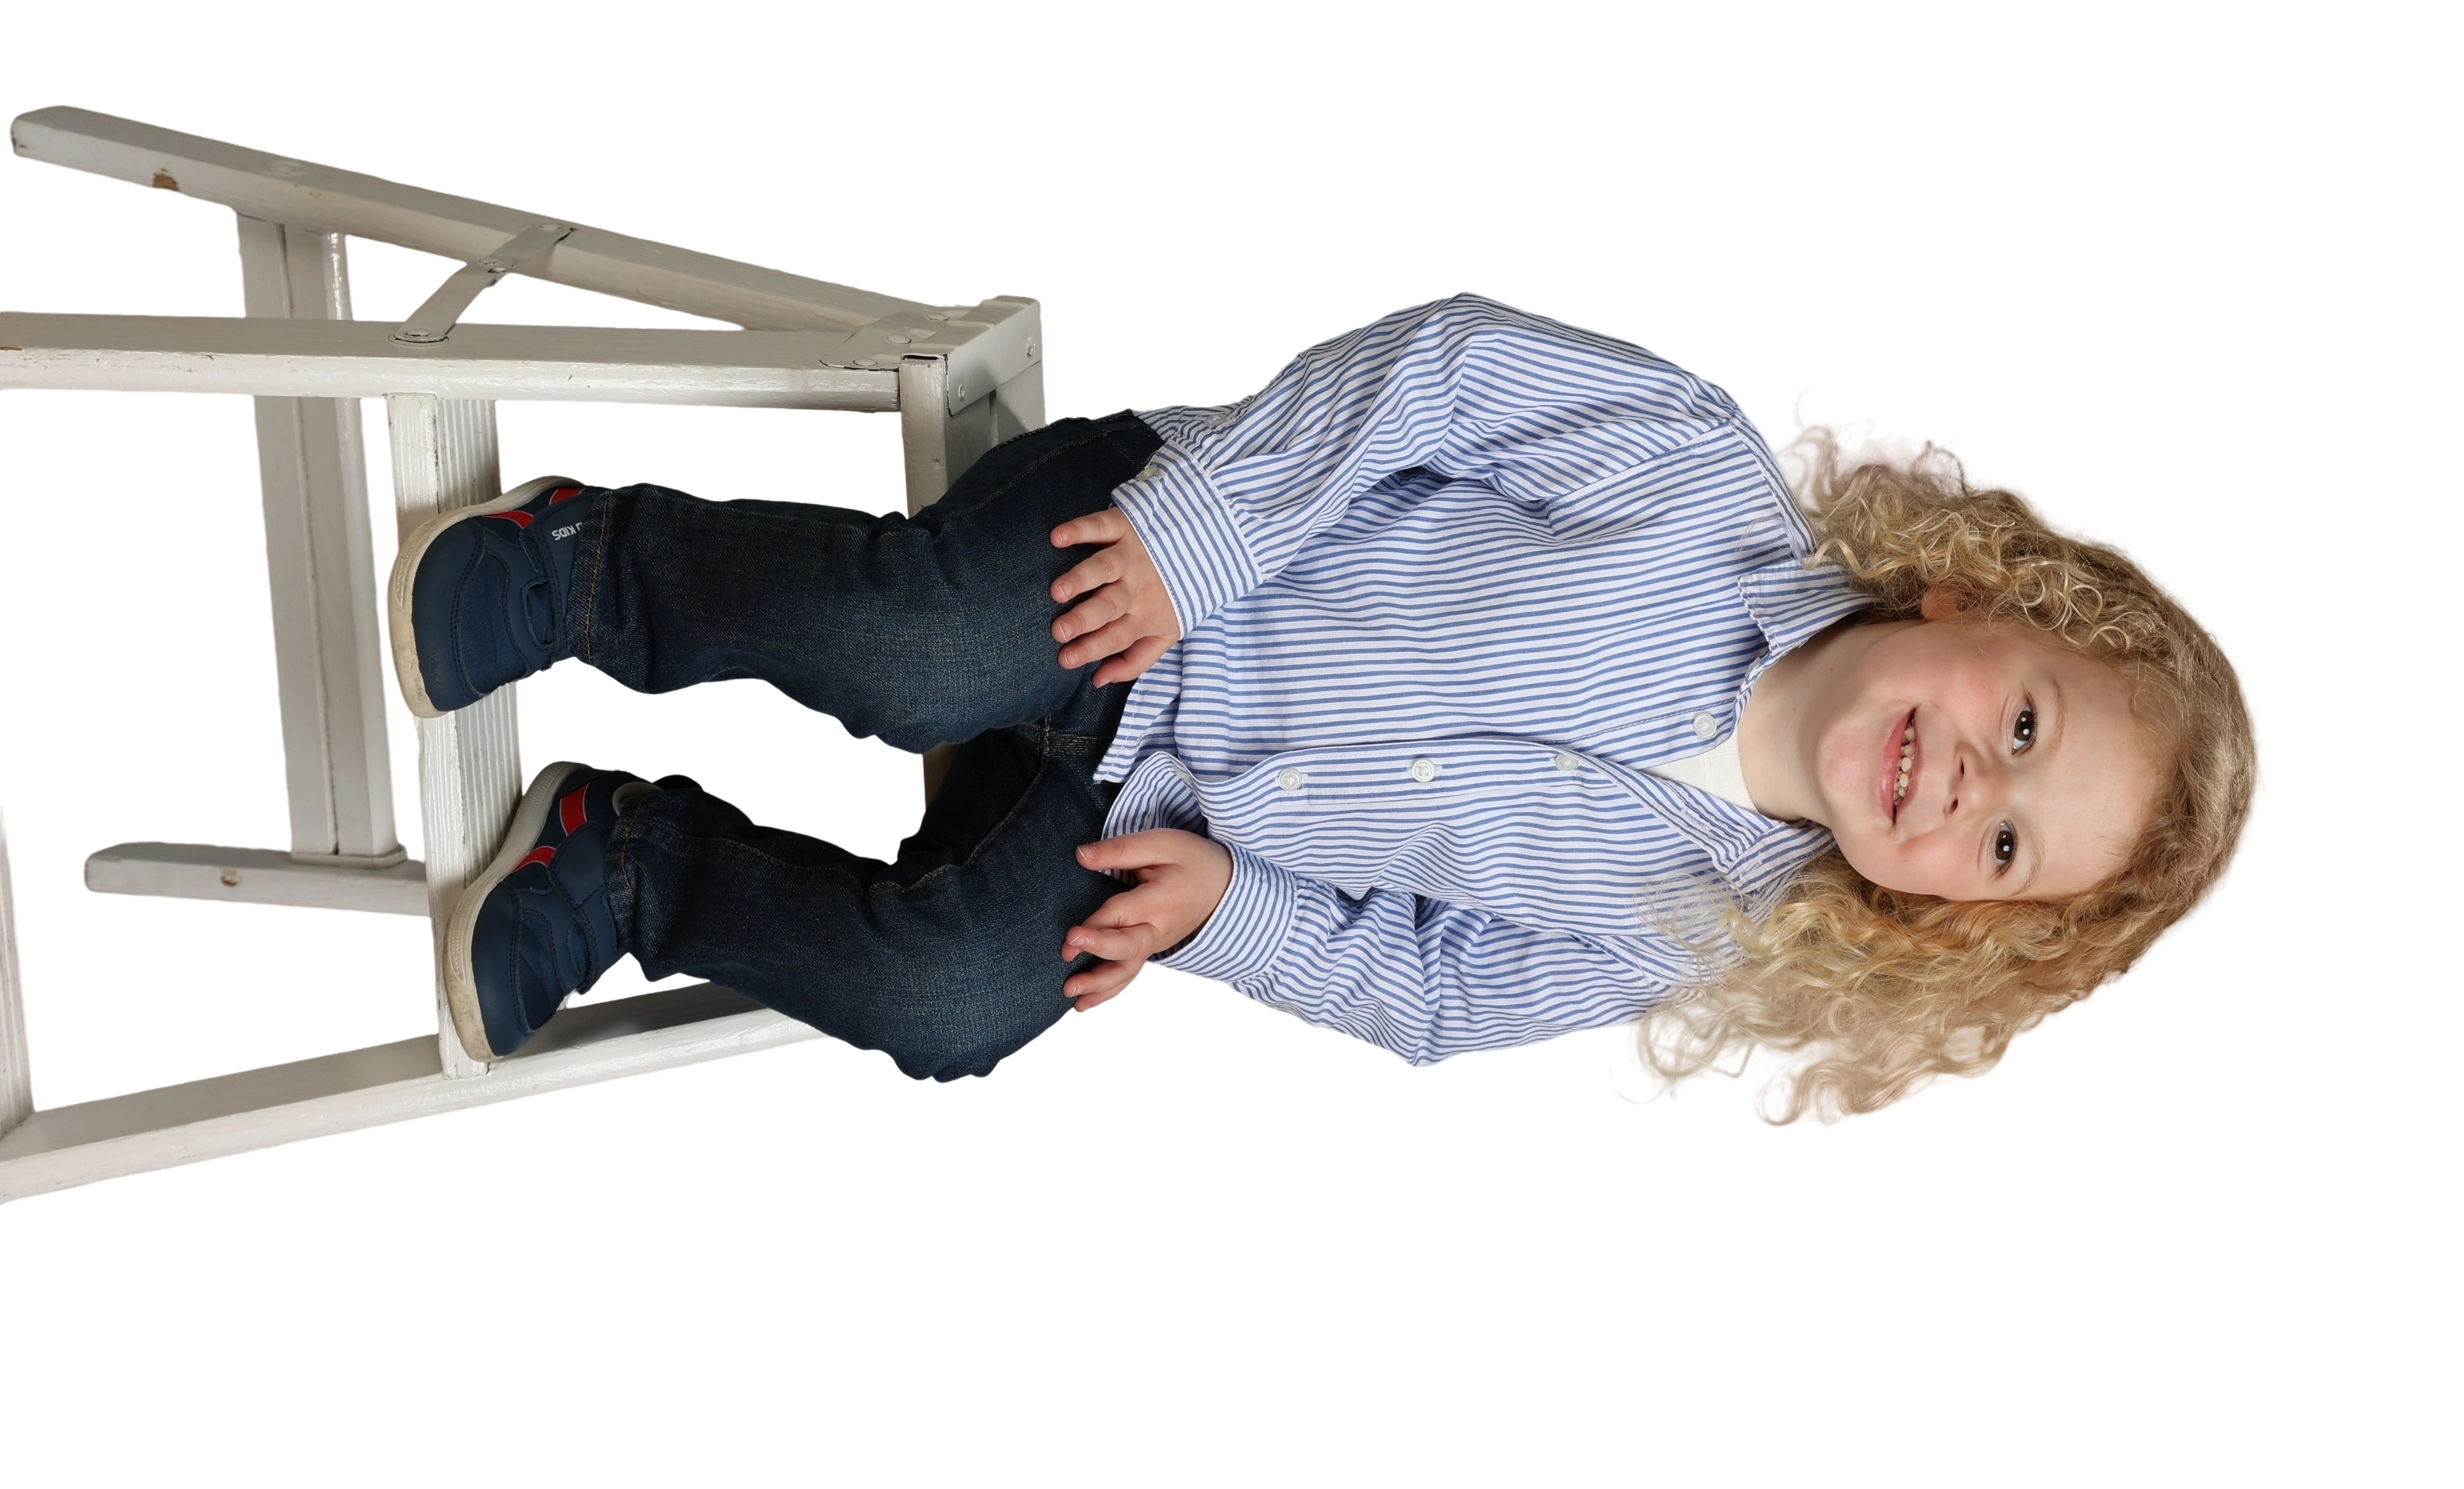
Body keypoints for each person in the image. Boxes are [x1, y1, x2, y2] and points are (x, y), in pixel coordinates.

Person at [385, 290, 2265, 1128]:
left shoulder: (1703, 938)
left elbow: (1434, 994)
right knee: (924, 656)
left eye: (2003, 846)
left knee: (957, 1007)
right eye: (2025, 724)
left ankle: (630, 865)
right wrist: (1201, 536)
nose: (1965, 787)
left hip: (1162, 820)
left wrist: (1234, 913)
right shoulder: (1703, 489)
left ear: (1950, 916)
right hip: (1154, 567)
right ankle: (593, 567)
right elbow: (1441, 370)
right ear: (1976, 602)